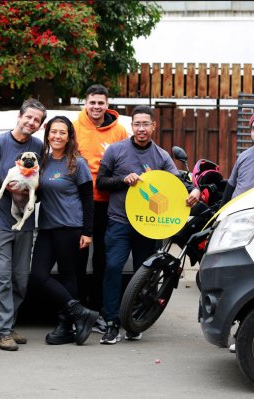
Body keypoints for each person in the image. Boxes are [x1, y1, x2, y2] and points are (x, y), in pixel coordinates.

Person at [96, 105, 200, 344]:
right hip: (119, 222)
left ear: (153, 126)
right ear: (131, 126)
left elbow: (177, 185)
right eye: (137, 124)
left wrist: (193, 190)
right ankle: (111, 323)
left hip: (149, 225)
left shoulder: (162, 156)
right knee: (112, 269)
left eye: (146, 124)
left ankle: (135, 321)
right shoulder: (116, 150)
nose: (141, 129)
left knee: (146, 275)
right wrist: (123, 179)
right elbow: (101, 182)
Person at [0, 99, 46, 351]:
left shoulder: (38, 147)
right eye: (29, 117)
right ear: (20, 116)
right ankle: (2, 331)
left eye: (37, 120)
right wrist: (7, 189)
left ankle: (7, 323)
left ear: (40, 125)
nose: (31, 122)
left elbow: (40, 183)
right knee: (1, 276)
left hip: (24, 224)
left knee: (20, 279)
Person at [29, 116, 98, 346]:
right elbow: (40, 194)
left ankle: (65, 325)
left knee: (69, 276)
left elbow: (88, 199)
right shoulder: (44, 162)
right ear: (47, 134)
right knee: (38, 275)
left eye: (62, 132)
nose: (57, 136)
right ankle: (80, 312)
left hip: (71, 227)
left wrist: (88, 232)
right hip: (47, 226)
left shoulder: (77, 163)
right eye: (53, 132)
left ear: (69, 137)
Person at [73, 84, 128, 334]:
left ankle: (98, 309)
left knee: (103, 258)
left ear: (107, 104)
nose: (96, 107)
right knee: (79, 257)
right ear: (85, 103)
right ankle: (78, 308)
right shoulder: (74, 127)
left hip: (109, 203)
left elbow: (127, 162)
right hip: (80, 202)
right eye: (92, 102)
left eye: (101, 103)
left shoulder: (119, 131)